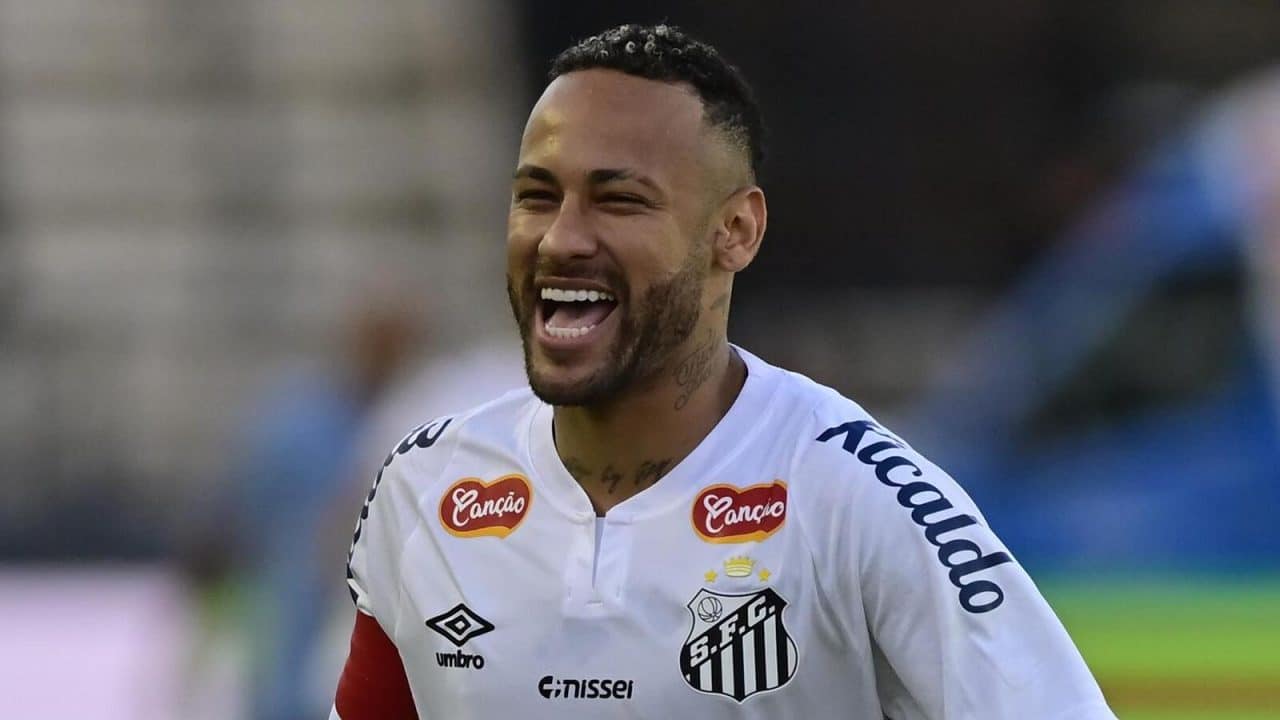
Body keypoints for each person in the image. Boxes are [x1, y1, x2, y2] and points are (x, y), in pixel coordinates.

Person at [330, 24, 1116, 719]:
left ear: (735, 231)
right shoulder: (425, 488)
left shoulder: (858, 497)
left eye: (619, 201)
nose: (561, 238)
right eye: (537, 196)